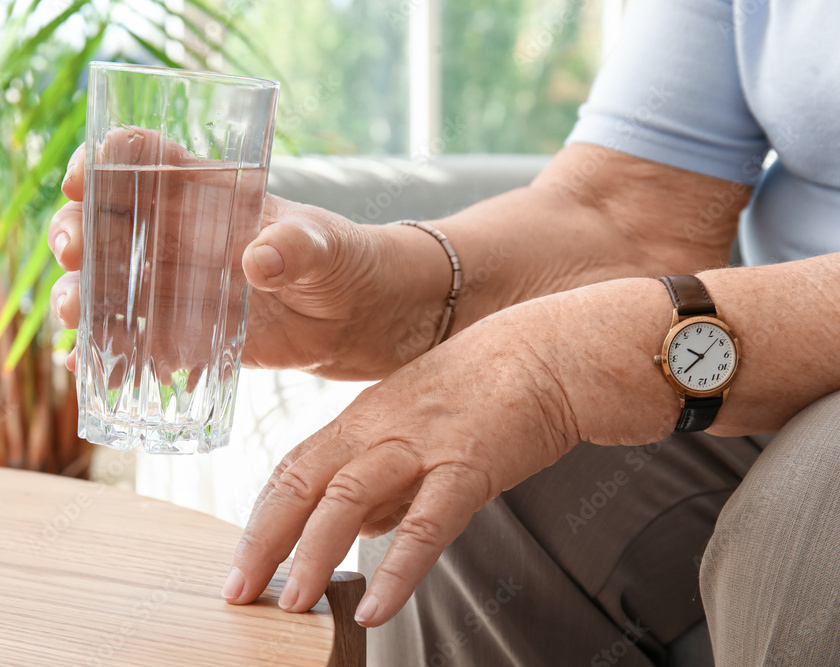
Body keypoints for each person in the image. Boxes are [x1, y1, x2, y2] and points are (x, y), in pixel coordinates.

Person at [47, 0, 840, 663]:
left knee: (809, 519)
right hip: (763, 344)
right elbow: (632, 207)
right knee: (466, 481)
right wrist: (395, 291)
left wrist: (566, 358)